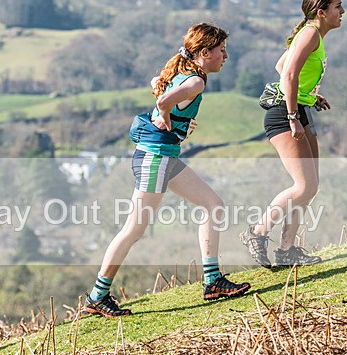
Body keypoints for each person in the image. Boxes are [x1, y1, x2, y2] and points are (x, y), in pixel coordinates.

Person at [83, 23, 251, 318]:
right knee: (134, 229)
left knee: (213, 205)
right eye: (221, 50)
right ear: (204, 53)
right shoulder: (196, 81)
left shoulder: (186, 73)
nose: (226, 56)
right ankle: (98, 296)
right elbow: (162, 99)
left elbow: (157, 84)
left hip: (164, 156)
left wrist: (173, 119)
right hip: (155, 158)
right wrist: (165, 116)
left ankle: (213, 281)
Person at [241, 0, 344, 268]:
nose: (342, 11)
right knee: (303, 185)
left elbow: (280, 65)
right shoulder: (310, 33)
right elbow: (287, 73)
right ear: (321, 12)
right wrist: (292, 115)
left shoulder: (313, 34)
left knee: (310, 187)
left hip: (298, 109)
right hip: (283, 115)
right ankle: (258, 232)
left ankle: (287, 251)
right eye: (337, 6)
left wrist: (308, 96)